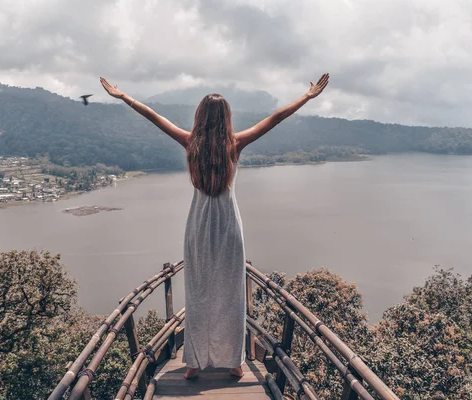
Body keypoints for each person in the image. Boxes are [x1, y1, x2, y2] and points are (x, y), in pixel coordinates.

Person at [100, 74, 329, 379]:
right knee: (231, 293)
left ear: (200, 117)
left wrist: (124, 96)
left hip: (198, 225)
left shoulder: (189, 143)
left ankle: (193, 363)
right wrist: (307, 96)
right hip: (229, 224)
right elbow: (275, 117)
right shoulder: (235, 143)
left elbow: (154, 117)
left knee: (198, 293)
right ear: (226, 119)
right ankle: (234, 361)